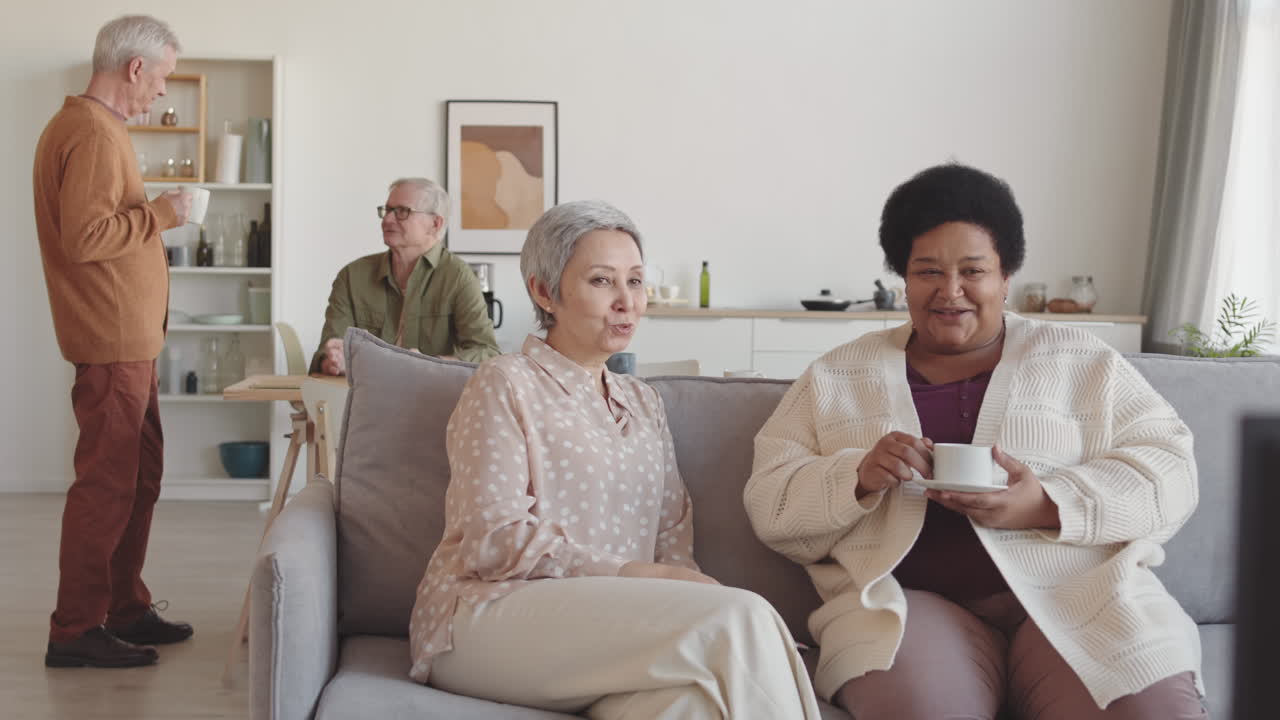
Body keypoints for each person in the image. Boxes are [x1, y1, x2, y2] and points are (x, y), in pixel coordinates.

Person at [744, 163, 1207, 719]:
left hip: (1079, 596)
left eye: (973, 270)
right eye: (928, 272)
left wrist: (1046, 505)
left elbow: (1172, 472)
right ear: (904, 278)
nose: (950, 292)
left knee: (1147, 707)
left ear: (1006, 276)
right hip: (910, 609)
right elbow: (769, 503)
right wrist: (856, 476)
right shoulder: (837, 376)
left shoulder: (1083, 361)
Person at [409, 200, 821, 719]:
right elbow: (492, 541)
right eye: (603, 282)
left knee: (693, 705)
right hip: (483, 620)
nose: (626, 301)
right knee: (740, 616)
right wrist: (630, 575)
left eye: (636, 281)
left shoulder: (644, 403)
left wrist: (677, 587)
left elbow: (672, 541)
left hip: (609, 632)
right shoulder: (504, 383)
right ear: (544, 291)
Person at [33, 14, 195, 669]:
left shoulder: (96, 128)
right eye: (161, 79)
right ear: (134, 69)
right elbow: (87, 239)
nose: (161, 93)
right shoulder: (94, 134)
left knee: (140, 475)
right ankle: (75, 629)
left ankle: (124, 605)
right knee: (106, 484)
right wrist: (163, 214)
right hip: (113, 344)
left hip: (130, 343)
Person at [311, 178, 499, 374]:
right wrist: (332, 361)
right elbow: (325, 352)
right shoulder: (352, 276)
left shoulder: (458, 276)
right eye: (387, 210)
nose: (387, 220)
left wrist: (432, 363)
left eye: (402, 211)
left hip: (431, 398)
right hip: (366, 398)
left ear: (435, 223)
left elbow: (487, 352)